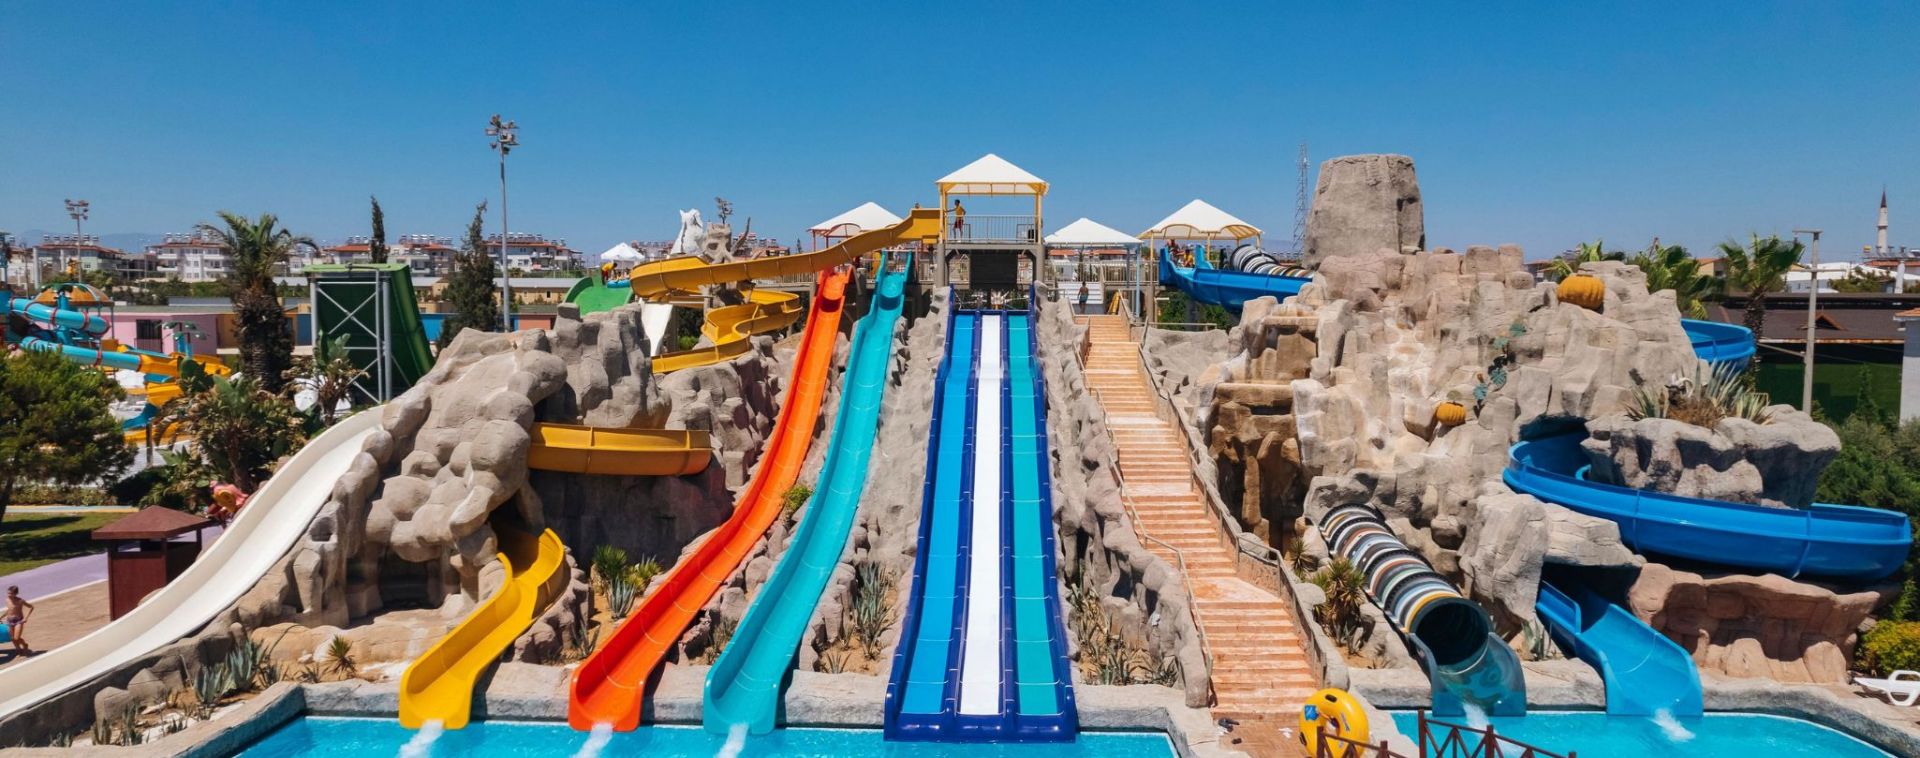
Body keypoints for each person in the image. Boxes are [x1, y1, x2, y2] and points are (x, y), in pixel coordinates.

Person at [6, 586, 33, 655]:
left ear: (16, 593)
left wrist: (26, 618)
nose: (9, 595)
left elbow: (31, 607)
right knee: (12, 638)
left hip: (18, 621)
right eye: (8, 593)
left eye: (11, 593)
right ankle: (18, 649)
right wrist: (1, 617)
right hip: (9, 621)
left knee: (16, 638)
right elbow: (9, 610)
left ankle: (25, 645)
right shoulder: (7, 600)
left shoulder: (20, 601)